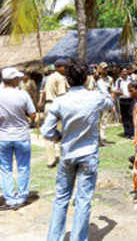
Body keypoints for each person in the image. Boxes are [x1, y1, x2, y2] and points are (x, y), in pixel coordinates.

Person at [41, 59, 114, 241]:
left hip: (67, 154)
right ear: (85, 78)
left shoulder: (60, 101)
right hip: (88, 155)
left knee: (61, 198)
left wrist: (59, 136)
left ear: (67, 79)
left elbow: (46, 131)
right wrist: (98, 82)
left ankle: (53, 238)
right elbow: (110, 103)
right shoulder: (94, 98)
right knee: (83, 200)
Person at [0, 67, 36, 208]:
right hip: (22, 136)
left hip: (3, 137)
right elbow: (32, 114)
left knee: (5, 168)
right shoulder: (23, 95)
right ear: (14, 80)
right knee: (23, 167)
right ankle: (21, 197)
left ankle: (9, 198)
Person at [42, 59, 69, 167]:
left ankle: (51, 160)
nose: (66, 69)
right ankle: (62, 155)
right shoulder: (60, 77)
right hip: (57, 105)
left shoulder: (49, 77)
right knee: (62, 131)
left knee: (49, 134)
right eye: (65, 67)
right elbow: (62, 95)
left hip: (48, 105)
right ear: (59, 67)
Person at [97, 62, 115, 144]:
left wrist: (112, 103)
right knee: (96, 121)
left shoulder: (110, 79)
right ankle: (97, 139)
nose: (105, 70)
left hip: (106, 103)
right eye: (104, 68)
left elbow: (112, 91)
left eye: (106, 68)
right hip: (97, 103)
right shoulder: (96, 79)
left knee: (104, 121)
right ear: (100, 69)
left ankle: (103, 139)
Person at [114, 68, 134, 138]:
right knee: (125, 117)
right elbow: (115, 90)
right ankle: (127, 133)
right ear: (120, 73)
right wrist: (119, 92)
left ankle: (132, 133)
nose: (125, 73)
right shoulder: (118, 81)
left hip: (131, 99)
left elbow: (135, 86)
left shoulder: (131, 79)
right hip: (122, 100)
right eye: (123, 72)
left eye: (126, 71)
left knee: (131, 115)